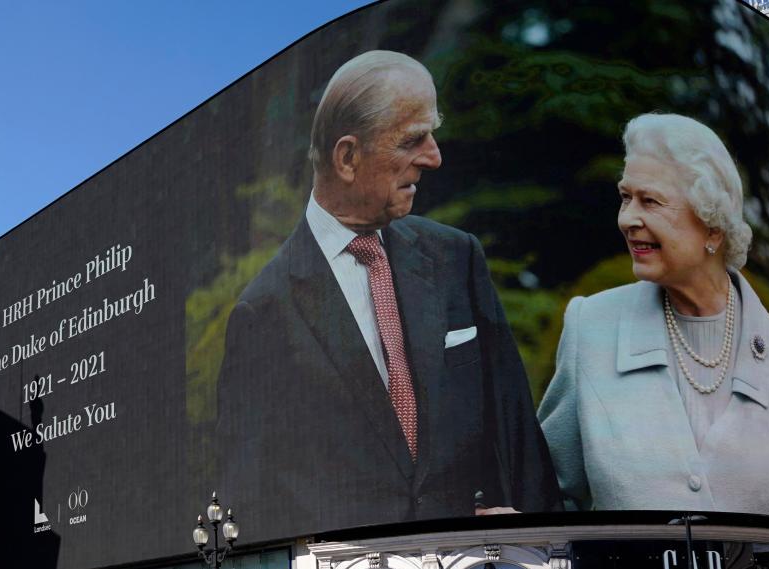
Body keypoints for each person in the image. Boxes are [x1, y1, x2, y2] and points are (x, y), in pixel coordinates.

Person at [216, 50, 560, 541]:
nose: (434, 156)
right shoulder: (263, 310)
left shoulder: (456, 258)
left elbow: (518, 437)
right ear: (348, 157)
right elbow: (248, 502)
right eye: (412, 140)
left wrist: (543, 544)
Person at [538, 113, 769, 523]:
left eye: (651, 201)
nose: (627, 219)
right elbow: (547, 498)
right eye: (625, 197)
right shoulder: (590, 328)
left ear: (712, 228)